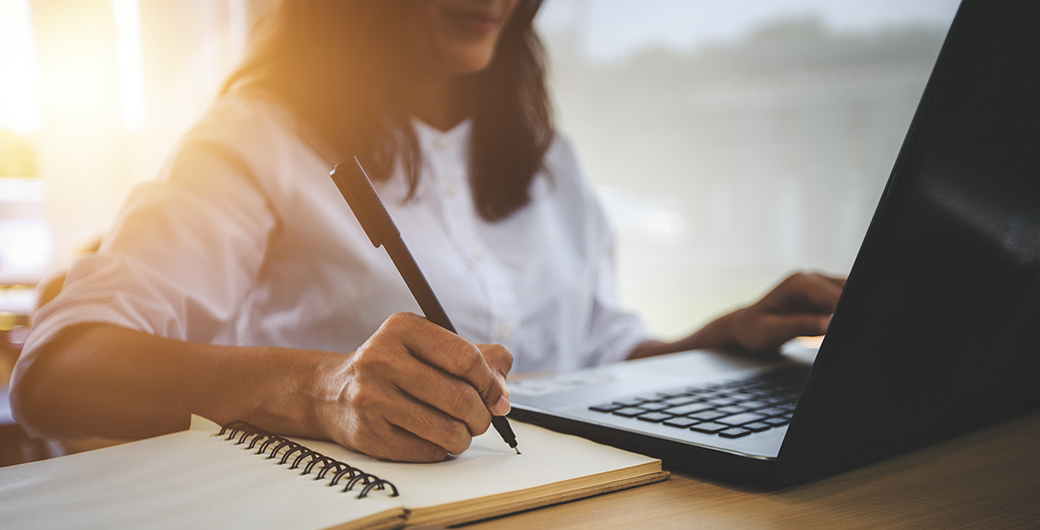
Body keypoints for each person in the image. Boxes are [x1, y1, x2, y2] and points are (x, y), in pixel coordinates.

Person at [10, 0, 844, 463]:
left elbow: (592, 355)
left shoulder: (549, 160)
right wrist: (322, 389)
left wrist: (724, 337)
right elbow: (55, 370)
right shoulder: (254, 138)